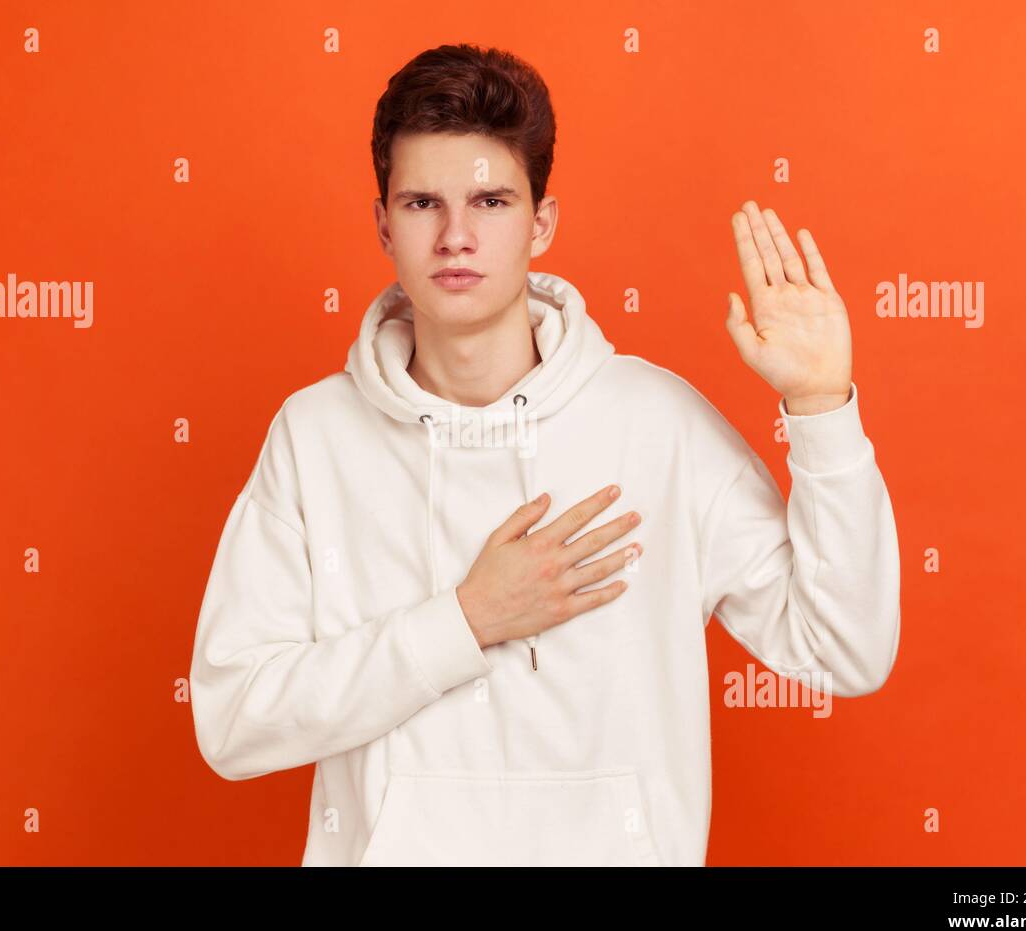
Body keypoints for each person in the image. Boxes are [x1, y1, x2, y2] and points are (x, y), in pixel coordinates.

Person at [188, 43, 900, 866]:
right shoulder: (315, 436)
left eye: (490, 200)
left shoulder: (656, 423)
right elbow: (233, 720)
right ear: (383, 223)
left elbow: (844, 650)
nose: (457, 236)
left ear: (542, 222)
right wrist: (466, 620)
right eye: (423, 203)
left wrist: (819, 408)